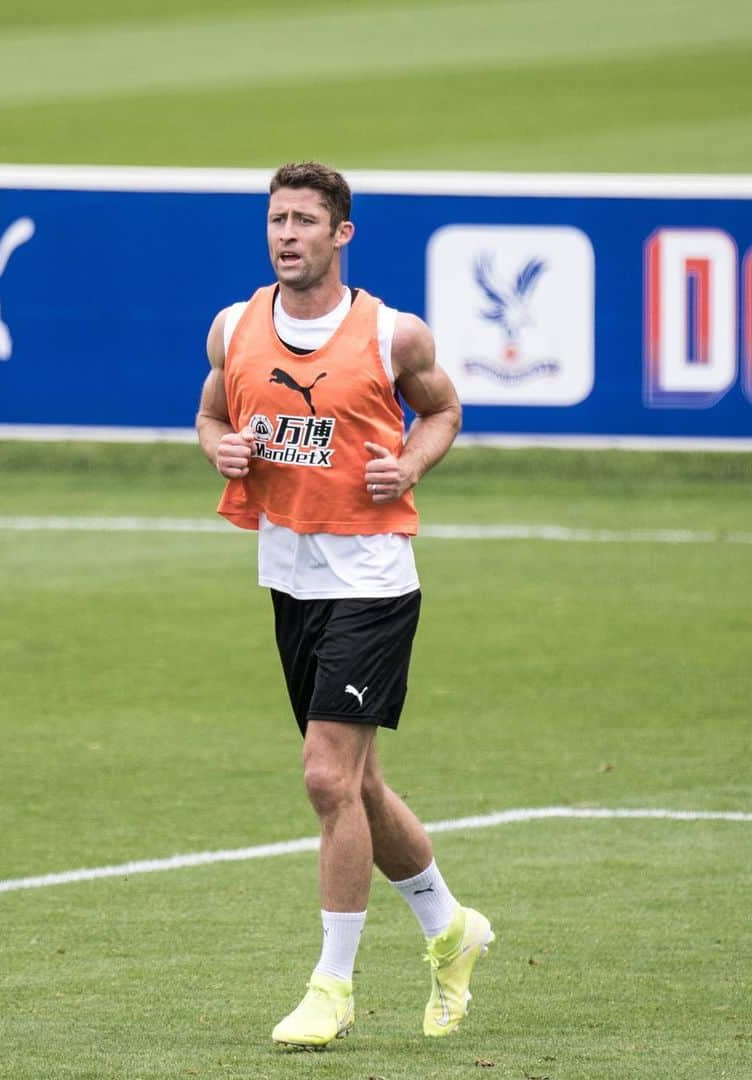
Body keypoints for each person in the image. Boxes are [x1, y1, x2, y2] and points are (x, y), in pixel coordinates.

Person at [195, 161, 493, 1048]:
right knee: (358, 784)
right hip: (289, 577)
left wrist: (410, 464)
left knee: (326, 778)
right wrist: (222, 449)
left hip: (370, 579)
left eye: (304, 221)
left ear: (341, 235)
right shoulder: (235, 327)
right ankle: (450, 929)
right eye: (276, 219)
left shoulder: (391, 335)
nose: (286, 234)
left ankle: (332, 985)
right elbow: (210, 416)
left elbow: (442, 411)